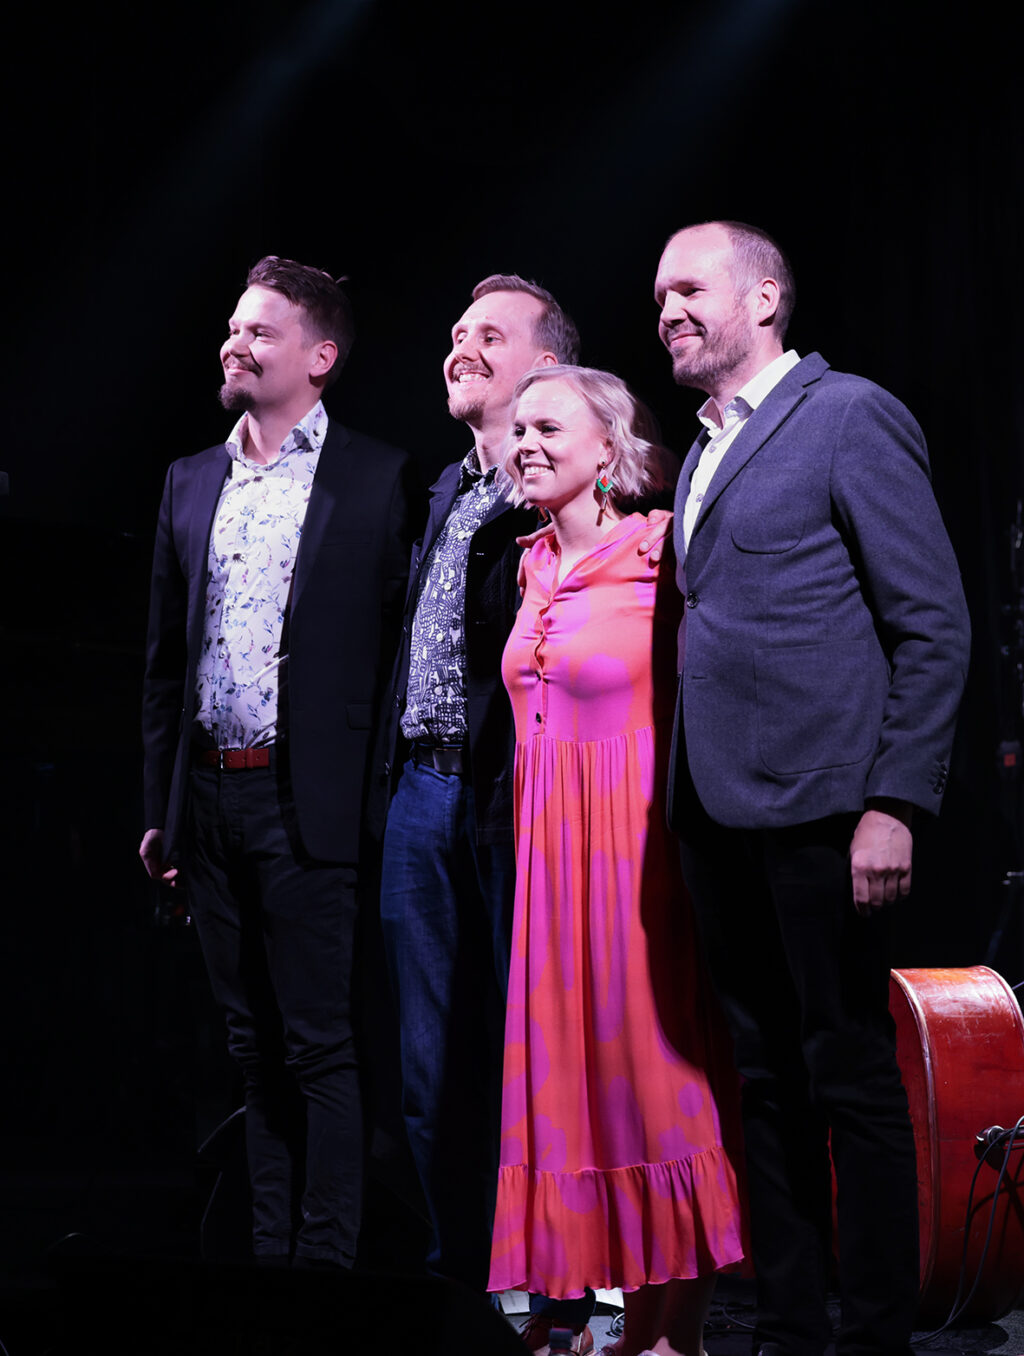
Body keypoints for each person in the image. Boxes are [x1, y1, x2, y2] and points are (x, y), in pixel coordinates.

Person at [654, 220, 971, 1356]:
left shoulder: (846, 416)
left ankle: (873, 1332)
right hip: (715, 809)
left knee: (846, 1076)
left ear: (766, 297)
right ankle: (789, 1325)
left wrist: (896, 801)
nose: (669, 310)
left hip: (826, 810)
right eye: (659, 297)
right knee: (762, 1077)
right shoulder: (700, 448)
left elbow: (931, 625)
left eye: (691, 288)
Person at [139, 256, 415, 1268]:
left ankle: (327, 1272)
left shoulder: (376, 480)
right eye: (232, 328)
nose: (236, 343)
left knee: (321, 1046)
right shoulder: (188, 480)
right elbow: (165, 667)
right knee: (251, 1051)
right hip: (209, 800)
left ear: (321, 357)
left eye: (260, 331)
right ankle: (268, 1265)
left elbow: (396, 661)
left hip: (314, 806)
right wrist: (158, 807)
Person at [488, 364, 745, 1356]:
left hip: (638, 859)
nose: (526, 443)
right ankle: (632, 1327)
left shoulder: (660, 553)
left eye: (549, 426)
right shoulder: (527, 564)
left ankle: (677, 1334)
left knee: (656, 1086)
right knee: (582, 1099)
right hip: (549, 870)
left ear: (610, 447)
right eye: (517, 429)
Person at [373, 276, 597, 1350]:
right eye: (456, 332)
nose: (460, 346)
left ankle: (558, 1282)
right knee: (430, 1061)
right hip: (421, 792)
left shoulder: (552, 490)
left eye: (490, 336)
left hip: (518, 801)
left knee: (534, 1045)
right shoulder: (439, 490)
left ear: (546, 367)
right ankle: (454, 1279)